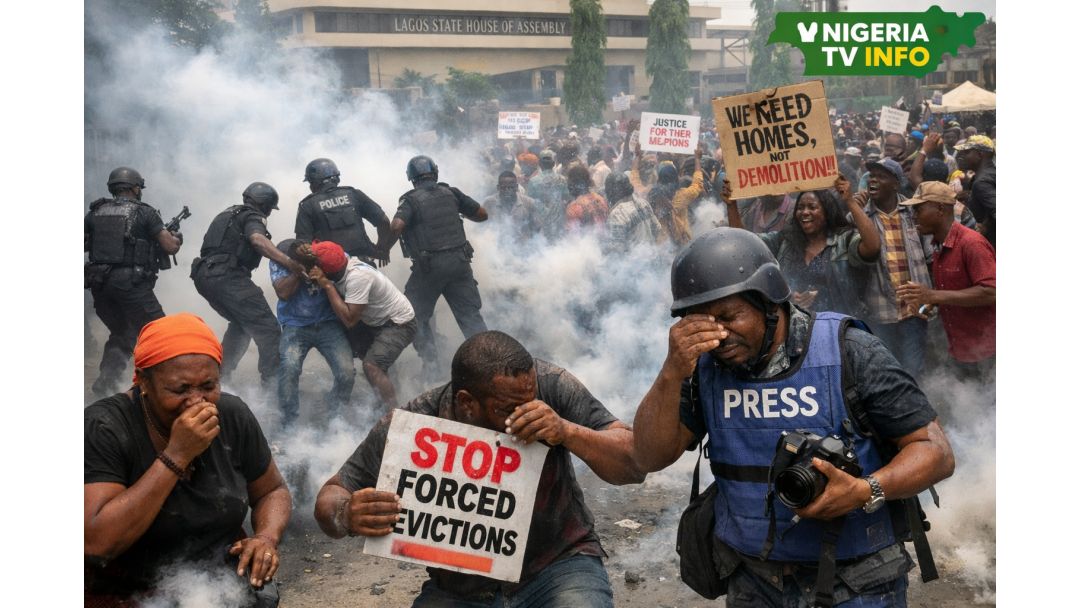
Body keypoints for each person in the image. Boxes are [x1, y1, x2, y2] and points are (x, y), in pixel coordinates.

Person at [631, 228, 954, 607]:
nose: (718, 335)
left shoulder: (850, 351)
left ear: (769, 304)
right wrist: (672, 370)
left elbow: (935, 451)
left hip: (856, 584)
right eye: (701, 323)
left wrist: (867, 489)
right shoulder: (701, 369)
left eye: (729, 316)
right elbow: (649, 456)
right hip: (753, 581)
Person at [313, 330, 645, 607]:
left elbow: (633, 462)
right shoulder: (417, 424)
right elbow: (332, 493)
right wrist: (346, 513)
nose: (525, 414)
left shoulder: (551, 386)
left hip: (557, 566)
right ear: (467, 403)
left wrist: (567, 431)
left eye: (530, 401)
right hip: (461, 590)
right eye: (508, 409)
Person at [85, 313, 292, 606]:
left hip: (219, 587)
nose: (197, 401)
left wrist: (267, 537)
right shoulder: (103, 428)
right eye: (180, 389)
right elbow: (97, 543)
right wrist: (177, 454)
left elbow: (272, 490)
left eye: (208, 386)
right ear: (143, 381)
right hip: (129, 593)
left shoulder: (232, 414)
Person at [383, 156, 489, 380]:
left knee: (413, 316)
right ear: (435, 173)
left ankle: (431, 362)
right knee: (470, 316)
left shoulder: (410, 201)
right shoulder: (451, 193)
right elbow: (482, 214)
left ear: (411, 178)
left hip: (429, 269)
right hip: (460, 264)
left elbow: (396, 226)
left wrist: (383, 248)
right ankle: (488, 364)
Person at [192, 183, 305, 388]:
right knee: (268, 329)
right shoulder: (253, 215)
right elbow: (257, 239)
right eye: (270, 208)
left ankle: (217, 379)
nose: (269, 213)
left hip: (205, 276)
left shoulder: (225, 215)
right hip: (228, 276)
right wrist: (290, 263)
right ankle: (273, 388)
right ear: (264, 205)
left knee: (241, 325)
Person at [85, 167, 183, 397]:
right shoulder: (145, 213)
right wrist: (177, 238)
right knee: (161, 333)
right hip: (131, 285)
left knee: (123, 334)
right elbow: (169, 246)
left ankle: (104, 389)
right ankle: (171, 386)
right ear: (136, 188)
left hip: (100, 286)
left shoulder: (94, 212)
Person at [724, 176, 880, 317]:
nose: (804, 212)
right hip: (796, 328)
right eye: (800, 208)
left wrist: (850, 201)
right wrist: (731, 205)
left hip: (839, 326)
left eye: (812, 207)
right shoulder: (785, 241)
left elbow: (873, 247)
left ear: (827, 212)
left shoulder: (843, 242)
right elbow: (745, 242)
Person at [895, 182, 996, 380]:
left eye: (919, 209)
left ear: (940, 209)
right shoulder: (938, 245)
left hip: (987, 353)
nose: (914, 216)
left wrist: (933, 295)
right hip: (960, 350)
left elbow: (992, 292)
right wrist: (929, 304)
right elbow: (954, 291)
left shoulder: (971, 243)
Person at [305, 240, 416, 411]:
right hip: (376, 321)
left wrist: (326, 285)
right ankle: (385, 400)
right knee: (370, 358)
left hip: (398, 323)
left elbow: (349, 320)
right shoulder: (342, 261)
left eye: (317, 266)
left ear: (327, 272)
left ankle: (393, 416)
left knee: (372, 366)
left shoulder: (358, 278)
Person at [858, 158, 935, 378]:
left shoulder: (914, 212)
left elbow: (930, 259)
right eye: (871, 176)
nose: (873, 180)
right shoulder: (860, 215)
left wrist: (931, 301)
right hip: (880, 312)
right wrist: (853, 207)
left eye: (881, 176)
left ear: (895, 183)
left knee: (913, 370)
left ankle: (916, 411)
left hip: (914, 310)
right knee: (888, 372)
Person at [270, 238, 356, 428]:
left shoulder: (327, 255)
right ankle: (289, 421)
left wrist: (323, 271)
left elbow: (351, 271)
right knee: (289, 369)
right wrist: (299, 270)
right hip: (295, 325)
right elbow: (283, 293)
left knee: (346, 373)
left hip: (328, 323)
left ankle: (335, 416)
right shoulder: (280, 260)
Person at [295, 157, 393, 265]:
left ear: (313, 184)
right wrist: (381, 249)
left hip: (332, 271)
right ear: (337, 178)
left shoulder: (307, 205)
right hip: (364, 265)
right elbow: (383, 222)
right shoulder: (354, 194)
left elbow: (303, 245)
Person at [603, 172, 663, 254]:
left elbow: (616, 251)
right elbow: (657, 230)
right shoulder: (643, 203)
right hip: (651, 259)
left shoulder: (617, 214)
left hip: (633, 265)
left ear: (611, 192)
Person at [954, 135, 996, 248]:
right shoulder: (990, 174)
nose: (962, 156)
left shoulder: (982, 182)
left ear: (979, 155)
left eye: (967, 152)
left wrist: (987, 227)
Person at [526, 149, 570, 240]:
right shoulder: (562, 180)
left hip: (540, 224)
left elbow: (529, 203)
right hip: (558, 222)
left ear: (540, 164)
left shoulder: (533, 181)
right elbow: (567, 197)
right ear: (553, 164)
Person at [484, 171, 540, 237]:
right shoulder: (489, 203)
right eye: (504, 188)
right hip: (495, 245)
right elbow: (482, 227)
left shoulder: (529, 203)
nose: (507, 191)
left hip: (522, 245)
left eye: (511, 187)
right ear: (498, 188)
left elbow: (537, 229)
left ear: (516, 187)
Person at [564, 164, 609, 232]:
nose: (568, 186)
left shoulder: (574, 208)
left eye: (569, 183)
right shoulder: (601, 200)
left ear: (575, 184)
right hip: (603, 241)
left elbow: (572, 239)